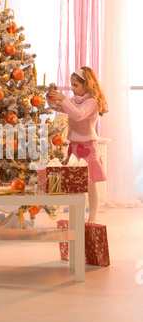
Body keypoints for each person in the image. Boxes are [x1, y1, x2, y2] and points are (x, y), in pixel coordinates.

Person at [47, 66, 108, 223]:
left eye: (75, 85)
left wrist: (64, 99)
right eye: (71, 85)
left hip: (88, 147)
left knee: (90, 183)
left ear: (87, 85)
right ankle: (78, 217)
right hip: (74, 147)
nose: (72, 89)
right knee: (77, 184)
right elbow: (55, 107)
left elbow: (78, 114)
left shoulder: (92, 102)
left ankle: (93, 217)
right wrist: (51, 97)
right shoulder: (74, 100)